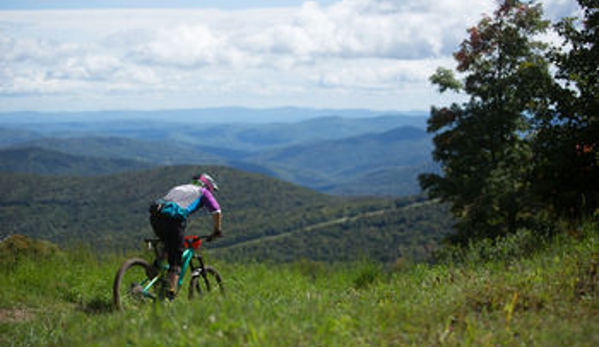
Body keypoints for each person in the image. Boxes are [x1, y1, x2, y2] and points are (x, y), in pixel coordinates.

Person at [149, 173, 223, 299]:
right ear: (207, 186)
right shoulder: (203, 192)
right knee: (176, 257)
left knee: (168, 246)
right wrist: (217, 230)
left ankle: (154, 270)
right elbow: (216, 211)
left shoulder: (178, 188)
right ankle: (170, 292)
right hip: (173, 221)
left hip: (156, 218)